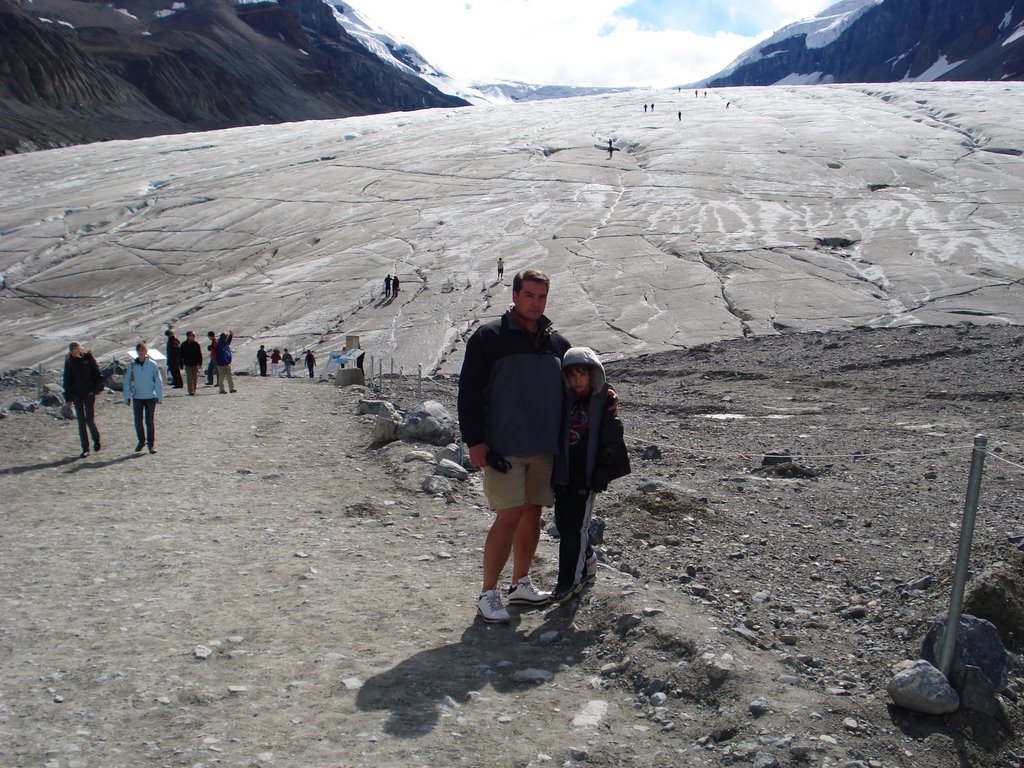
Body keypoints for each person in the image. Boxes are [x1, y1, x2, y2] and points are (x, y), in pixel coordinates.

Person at [458, 268, 571, 623]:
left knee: (532, 514)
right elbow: (469, 392)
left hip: (543, 447)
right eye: (529, 295)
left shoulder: (557, 344)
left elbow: (574, 389)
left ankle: (520, 582)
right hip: (502, 447)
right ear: (515, 295)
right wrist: (474, 440)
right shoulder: (488, 338)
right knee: (507, 516)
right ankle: (487, 593)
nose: (535, 303)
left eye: (541, 297)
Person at [550, 347, 631, 602]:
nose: (577, 380)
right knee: (565, 525)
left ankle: (568, 583)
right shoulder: (563, 398)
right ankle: (588, 562)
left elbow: (611, 436)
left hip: (586, 475)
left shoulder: (603, 400)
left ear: (592, 375)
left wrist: (603, 470)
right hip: (563, 472)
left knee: (576, 528)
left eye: (582, 374)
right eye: (572, 374)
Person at [63, 341, 103, 458]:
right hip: (77, 395)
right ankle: (85, 448)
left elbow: (97, 373)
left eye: (75, 350)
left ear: (79, 349)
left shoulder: (88, 357)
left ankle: (96, 439)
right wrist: (68, 398)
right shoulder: (69, 361)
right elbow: (67, 380)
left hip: (89, 393)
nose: (74, 352)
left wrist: (95, 390)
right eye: (72, 351)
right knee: (81, 422)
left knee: (89, 419)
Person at [123, 342, 163, 454]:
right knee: (137, 421)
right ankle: (141, 441)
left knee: (149, 421)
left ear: (146, 351)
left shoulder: (152, 364)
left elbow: (158, 381)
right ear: (137, 352)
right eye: (139, 350)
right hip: (137, 397)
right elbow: (127, 381)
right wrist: (126, 397)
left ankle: (151, 444)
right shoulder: (131, 365)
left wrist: (159, 396)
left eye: (143, 350)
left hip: (150, 396)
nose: (141, 352)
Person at [180, 331, 203, 395]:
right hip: (187, 364)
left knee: (195, 377)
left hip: (195, 364)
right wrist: (181, 365)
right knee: (189, 377)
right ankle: (190, 391)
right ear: (188, 336)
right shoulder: (184, 344)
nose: (193, 337)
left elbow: (199, 354)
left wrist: (200, 363)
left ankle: (194, 389)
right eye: (192, 335)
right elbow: (181, 355)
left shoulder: (196, 344)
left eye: (194, 335)